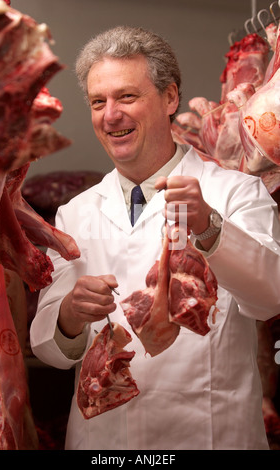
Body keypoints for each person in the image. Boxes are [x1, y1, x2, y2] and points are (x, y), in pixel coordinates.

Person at [30, 25, 280, 450]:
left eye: (127, 97)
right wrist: (70, 313)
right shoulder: (75, 213)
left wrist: (208, 226)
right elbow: (48, 347)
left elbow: (271, 294)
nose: (111, 115)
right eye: (98, 102)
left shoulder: (235, 192)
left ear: (169, 98)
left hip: (209, 436)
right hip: (103, 443)